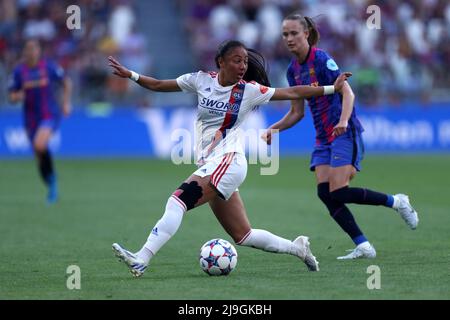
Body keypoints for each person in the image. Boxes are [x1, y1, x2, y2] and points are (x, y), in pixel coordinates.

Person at [108, 39, 351, 277]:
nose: (243, 66)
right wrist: (131, 74)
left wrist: (332, 88)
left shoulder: (249, 91)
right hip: (213, 164)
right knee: (243, 235)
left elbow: (292, 91)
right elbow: (160, 85)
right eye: (237, 60)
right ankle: (298, 248)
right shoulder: (201, 80)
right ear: (220, 62)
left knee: (177, 201)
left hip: (229, 161)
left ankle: (142, 257)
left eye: (245, 61)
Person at [262, 14, 419, 260]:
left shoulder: (322, 59)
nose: (289, 38)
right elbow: (296, 112)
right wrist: (275, 128)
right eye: (285, 34)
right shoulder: (293, 71)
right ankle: (364, 246)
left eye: (294, 33)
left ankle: (397, 201)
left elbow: (348, 93)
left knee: (339, 191)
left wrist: (344, 121)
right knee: (325, 193)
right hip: (323, 137)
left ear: (306, 33)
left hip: (344, 132)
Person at [8, 39, 72, 204]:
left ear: (38, 51)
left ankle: (53, 182)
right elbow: (11, 96)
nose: (31, 52)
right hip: (30, 119)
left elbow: (66, 82)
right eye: (28, 49)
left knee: (39, 145)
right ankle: (51, 183)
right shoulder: (19, 72)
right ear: (24, 52)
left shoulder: (49, 67)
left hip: (49, 114)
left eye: (34, 49)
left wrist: (65, 102)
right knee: (38, 156)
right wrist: (17, 96)